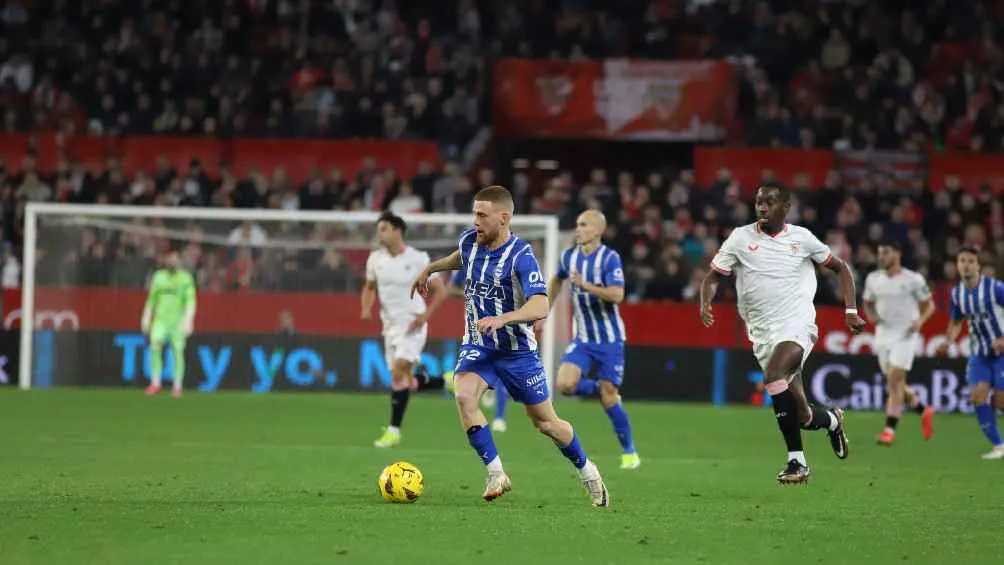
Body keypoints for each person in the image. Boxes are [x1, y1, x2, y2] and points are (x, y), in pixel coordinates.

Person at [411, 185, 609, 506]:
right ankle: (496, 472)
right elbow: (459, 257)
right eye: (474, 213)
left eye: (482, 215)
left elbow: (541, 306)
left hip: (518, 352)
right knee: (463, 395)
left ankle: (587, 470)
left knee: (546, 424)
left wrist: (506, 319)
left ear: (503, 218)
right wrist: (430, 268)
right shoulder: (470, 241)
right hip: (479, 346)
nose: (475, 221)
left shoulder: (521, 255)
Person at [700, 185, 861, 485]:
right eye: (758, 201)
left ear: (785, 207)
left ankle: (797, 463)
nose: (762, 207)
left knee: (773, 376)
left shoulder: (801, 238)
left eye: (769, 202)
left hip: (797, 325)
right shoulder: (740, 238)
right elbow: (713, 277)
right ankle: (833, 420)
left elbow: (842, 269)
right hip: (762, 334)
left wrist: (850, 310)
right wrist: (705, 300)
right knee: (804, 417)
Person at [540, 210, 639, 470]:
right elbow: (556, 280)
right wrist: (544, 311)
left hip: (610, 340)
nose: (578, 229)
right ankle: (602, 390)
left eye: (583, 225)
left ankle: (629, 452)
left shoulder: (609, 258)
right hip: (583, 338)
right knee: (564, 384)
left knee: (609, 400)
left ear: (598, 230)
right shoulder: (569, 256)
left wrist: (586, 286)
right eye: (577, 224)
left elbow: (617, 295)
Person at [363, 212, 447, 449]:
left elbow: (441, 290)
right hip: (389, 328)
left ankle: (393, 431)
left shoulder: (419, 258)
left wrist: (424, 316)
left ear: (397, 231)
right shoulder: (374, 260)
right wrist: (366, 307)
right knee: (401, 380)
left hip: (413, 325)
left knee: (399, 372)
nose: (380, 233)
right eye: (378, 229)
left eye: (384, 228)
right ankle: (445, 382)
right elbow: (369, 288)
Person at [862, 241, 936, 446]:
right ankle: (923, 409)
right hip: (883, 334)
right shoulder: (873, 279)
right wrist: (871, 316)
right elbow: (867, 302)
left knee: (894, 379)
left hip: (905, 334)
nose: (881, 257)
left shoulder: (913, 279)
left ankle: (889, 430)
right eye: (879, 253)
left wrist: (919, 321)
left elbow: (929, 305)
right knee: (897, 382)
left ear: (897, 254)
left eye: (885, 253)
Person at [939, 247, 1004, 460]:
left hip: (1002, 352)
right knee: (978, 396)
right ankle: (999, 445)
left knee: (1001, 401)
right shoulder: (957, 294)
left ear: (978, 265)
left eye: (970, 260)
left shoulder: (995, 289)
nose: (966, 264)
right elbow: (956, 321)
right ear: (957, 265)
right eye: (962, 260)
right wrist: (948, 342)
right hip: (980, 353)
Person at [446, 269, 509, 432]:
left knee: (502, 368)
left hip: (501, 324)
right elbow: (451, 288)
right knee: (474, 367)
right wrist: (468, 294)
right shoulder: (467, 261)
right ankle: (487, 387)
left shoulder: (506, 261)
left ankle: (499, 417)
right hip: (475, 326)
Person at [142, 249, 197, 398]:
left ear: (179, 261)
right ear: (166, 261)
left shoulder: (185, 279)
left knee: (178, 351)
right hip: (160, 320)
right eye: (170, 259)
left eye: (175, 259)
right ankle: (155, 383)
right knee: (155, 346)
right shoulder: (159, 277)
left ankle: (177, 385)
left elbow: (190, 301)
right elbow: (152, 299)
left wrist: (189, 320)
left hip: (177, 321)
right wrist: (146, 316)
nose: (172, 262)